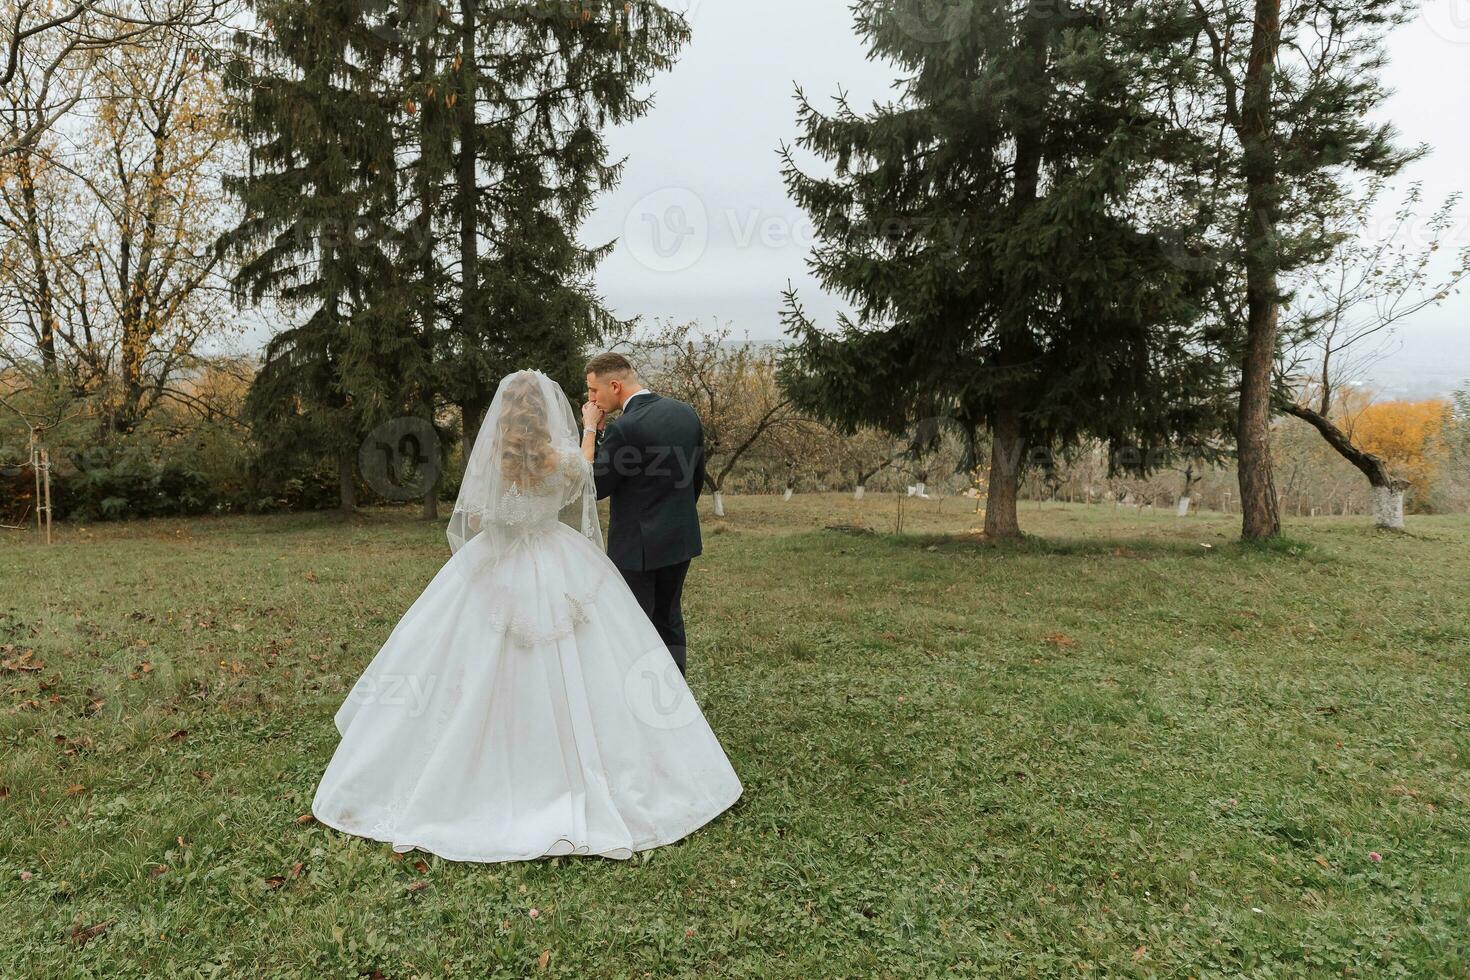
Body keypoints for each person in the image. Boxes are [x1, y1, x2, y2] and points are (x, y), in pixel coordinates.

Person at [311, 369, 741, 863]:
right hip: (559, 561)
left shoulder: (491, 460)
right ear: (544, 414)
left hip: (497, 561)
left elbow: (473, 519)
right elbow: (582, 479)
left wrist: (496, 538)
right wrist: (587, 429)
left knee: (465, 664)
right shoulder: (561, 460)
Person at [581, 352, 706, 675]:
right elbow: (695, 478)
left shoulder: (625, 428)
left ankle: (638, 698)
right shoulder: (685, 413)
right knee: (669, 616)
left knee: (633, 623)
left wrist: (591, 430)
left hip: (638, 548)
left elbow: (595, 486)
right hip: (681, 537)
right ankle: (675, 689)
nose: (591, 399)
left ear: (615, 385)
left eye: (594, 391)